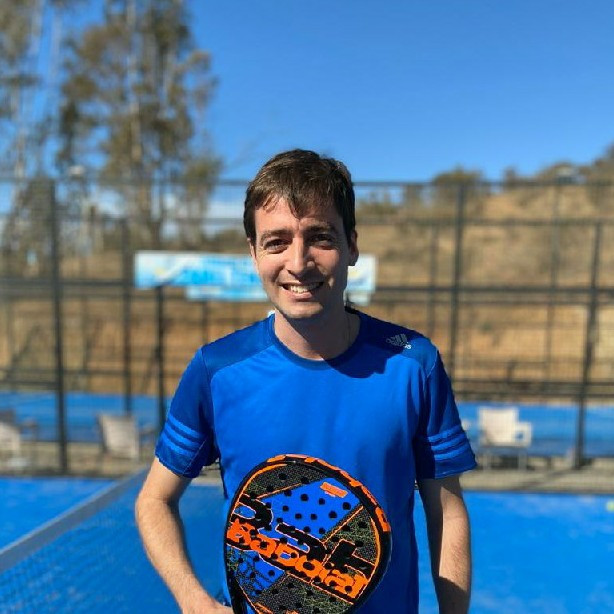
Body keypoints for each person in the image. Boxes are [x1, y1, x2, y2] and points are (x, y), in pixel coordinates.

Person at [135, 149, 476, 613]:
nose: (298, 262)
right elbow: (154, 500)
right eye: (276, 242)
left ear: (351, 246)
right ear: (254, 253)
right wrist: (194, 600)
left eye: (319, 237)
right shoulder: (216, 370)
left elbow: (446, 510)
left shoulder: (414, 365)